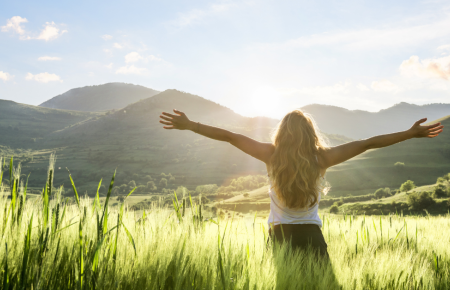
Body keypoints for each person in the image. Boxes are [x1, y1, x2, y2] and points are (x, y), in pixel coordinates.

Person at [159, 108, 444, 258]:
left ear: (282, 133)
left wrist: (191, 125)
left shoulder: (270, 155)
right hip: (312, 237)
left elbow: (231, 137)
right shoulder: (323, 158)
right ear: (311, 134)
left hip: (279, 237)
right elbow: (368, 143)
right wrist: (409, 134)